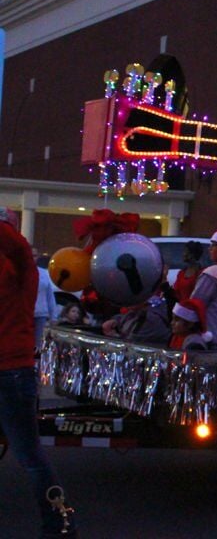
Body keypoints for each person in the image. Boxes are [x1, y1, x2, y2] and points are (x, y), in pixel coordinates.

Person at [0, 207, 77, 536]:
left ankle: (59, 523)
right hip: (14, 371)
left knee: (30, 456)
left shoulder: (22, 266)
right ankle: (60, 524)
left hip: (12, 371)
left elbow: (15, 247)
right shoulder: (21, 267)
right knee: (30, 456)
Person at [101, 297, 170, 345]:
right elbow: (128, 318)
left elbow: (130, 346)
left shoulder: (151, 320)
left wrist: (114, 336)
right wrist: (115, 321)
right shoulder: (137, 310)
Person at [33, 250, 57, 351]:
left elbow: (49, 295)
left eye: (34, 255)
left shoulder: (44, 274)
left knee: (38, 343)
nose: (32, 258)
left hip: (40, 314)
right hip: (22, 314)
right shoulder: (19, 272)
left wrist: (53, 316)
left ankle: (35, 364)